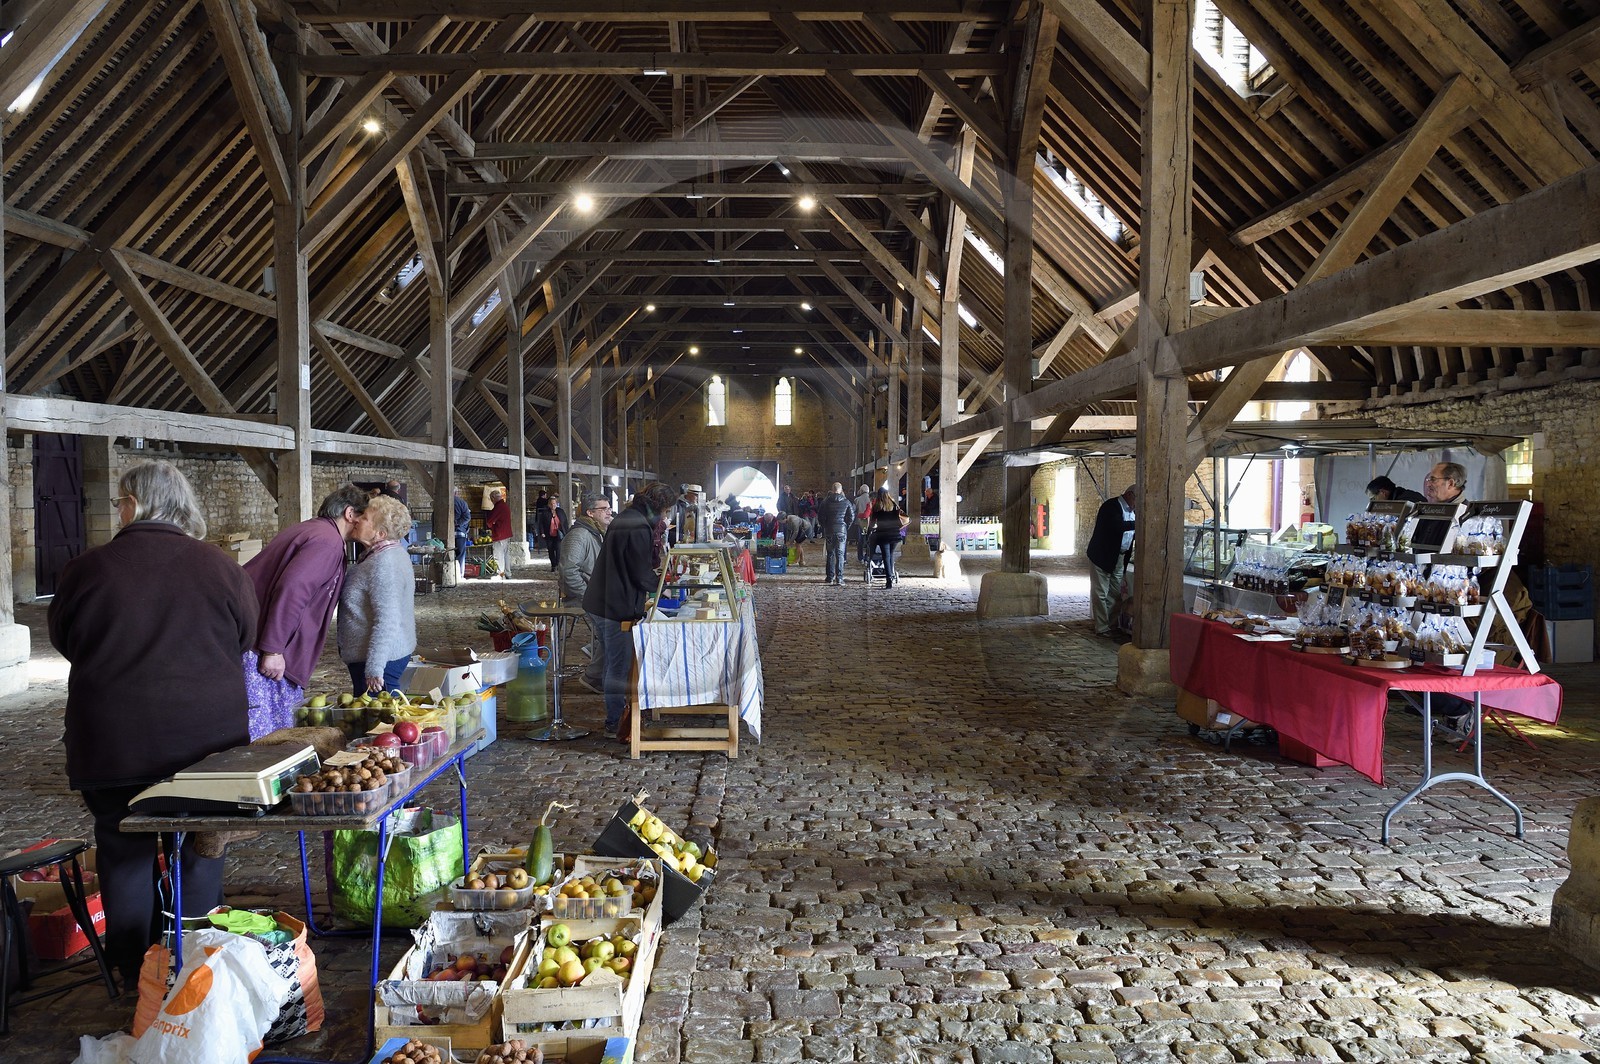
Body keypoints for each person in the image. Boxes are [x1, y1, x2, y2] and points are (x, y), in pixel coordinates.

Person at [48, 460, 258, 993]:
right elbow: (244, 637)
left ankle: (133, 969)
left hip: (115, 743)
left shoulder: (87, 570)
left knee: (123, 850)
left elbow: (67, 640)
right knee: (203, 843)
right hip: (205, 745)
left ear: (136, 503)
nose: (117, 510)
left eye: (120, 501)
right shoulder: (222, 568)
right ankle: (194, 957)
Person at [242, 484, 369, 737]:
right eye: (365, 517)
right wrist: (273, 648)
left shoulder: (315, 530)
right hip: (262, 648)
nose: (369, 524)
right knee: (267, 736)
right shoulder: (327, 541)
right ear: (350, 514)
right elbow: (293, 590)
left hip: (255, 637)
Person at [583, 481, 678, 738]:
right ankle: (615, 722)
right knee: (618, 665)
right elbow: (639, 571)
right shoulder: (637, 525)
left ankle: (618, 714)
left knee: (613, 662)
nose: (666, 516)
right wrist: (662, 588)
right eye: (666, 510)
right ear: (660, 507)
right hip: (612, 604)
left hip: (604, 599)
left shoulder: (630, 516)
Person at [337, 493, 418, 695]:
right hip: (376, 657)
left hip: (381, 661)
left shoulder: (384, 563)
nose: (356, 519)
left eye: (364, 518)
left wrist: (374, 668)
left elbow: (388, 619)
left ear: (380, 534)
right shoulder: (379, 556)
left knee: (380, 723)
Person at [558, 492, 614, 693]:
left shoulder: (596, 532)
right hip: (580, 599)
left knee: (623, 620)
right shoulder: (579, 536)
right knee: (614, 627)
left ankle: (597, 655)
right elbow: (568, 571)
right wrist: (587, 595)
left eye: (609, 508)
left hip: (597, 595)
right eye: (604, 509)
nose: (609, 512)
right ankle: (594, 676)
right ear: (590, 512)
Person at [1086, 486, 1136, 639]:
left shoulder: (1134, 511)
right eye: (1138, 499)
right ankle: (1101, 627)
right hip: (1102, 555)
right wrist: (1139, 523)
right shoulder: (1111, 506)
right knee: (1100, 592)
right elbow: (1117, 526)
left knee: (1115, 592)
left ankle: (1111, 624)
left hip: (1119, 557)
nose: (1139, 504)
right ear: (1129, 494)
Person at [866, 487, 906, 588]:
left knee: (886, 557)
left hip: (883, 534)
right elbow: (899, 519)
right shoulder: (893, 505)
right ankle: (891, 575)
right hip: (895, 534)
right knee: (890, 556)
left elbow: (872, 523)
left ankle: (889, 580)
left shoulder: (876, 507)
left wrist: (868, 534)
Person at [817, 482, 854, 586]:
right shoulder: (846, 502)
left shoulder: (825, 501)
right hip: (841, 530)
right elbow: (851, 516)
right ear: (841, 490)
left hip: (829, 530)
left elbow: (820, 516)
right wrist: (846, 527)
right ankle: (840, 578)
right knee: (840, 554)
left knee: (830, 554)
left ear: (832, 490)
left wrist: (825, 526)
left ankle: (829, 577)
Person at [486, 487, 512, 579]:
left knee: (498, 555)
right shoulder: (505, 506)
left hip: (499, 534)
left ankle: (501, 575)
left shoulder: (498, 507)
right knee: (506, 555)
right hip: (507, 534)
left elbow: (489, 521)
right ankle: (508, 573)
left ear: (493, 498)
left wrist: (491, 525)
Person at [452, 485, 473, 580]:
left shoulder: (442, 503)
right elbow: (467, 517)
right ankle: (459, 575)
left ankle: (449, 574)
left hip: (445, 535)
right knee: (460, 554)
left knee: (446, 555)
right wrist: (457, 524)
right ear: (456, 493)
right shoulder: (461, 503)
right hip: (460, 533)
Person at [852, 484, 873, 564]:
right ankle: (867, 556)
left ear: (861, 491)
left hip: (860, 523)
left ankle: (860, 557)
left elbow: (853, 510)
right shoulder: (871, 499)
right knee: (869, 540)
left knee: (860, 540)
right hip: (870, 523)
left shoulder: (857, 500)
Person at [546, 496, 568, 567]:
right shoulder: (546, 513)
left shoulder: (560, 511)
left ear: (556, 504)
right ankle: (553, 565)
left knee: (559, 550)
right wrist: (542, 532)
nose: (553, 505)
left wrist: (566, 531)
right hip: (549, 534)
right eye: (551, 504)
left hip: (559, 535)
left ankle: (558, 564)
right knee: (550, 550)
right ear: (549, 504)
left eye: (554, 503)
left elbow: (565, 522)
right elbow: (541, 523)